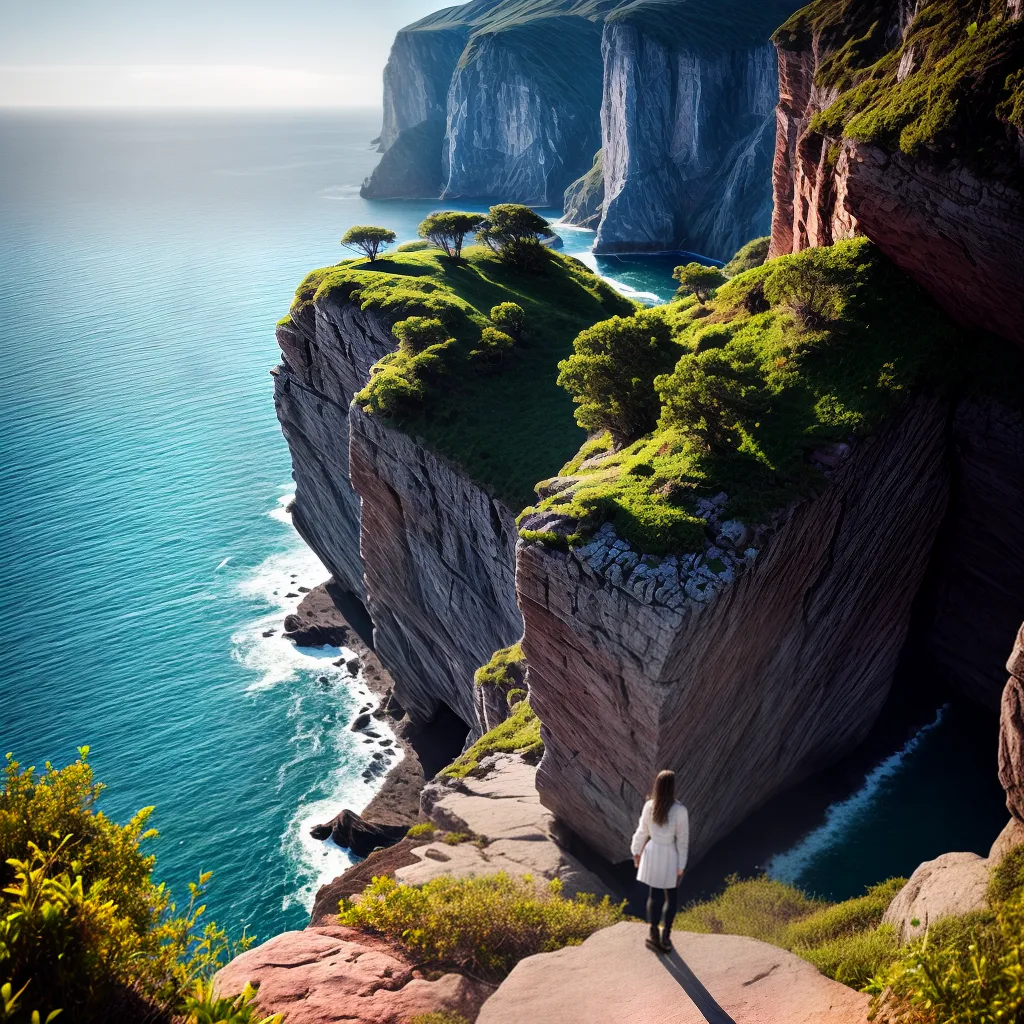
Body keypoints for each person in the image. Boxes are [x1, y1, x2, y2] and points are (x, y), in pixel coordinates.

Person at [630, 769, 689, 954]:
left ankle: (653, 933)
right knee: (672, 897)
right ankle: (665, 937)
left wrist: (636, 851)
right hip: (669, 854)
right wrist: (681, 865)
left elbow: (642, 831)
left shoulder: (649, 806)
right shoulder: (679, 810)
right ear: (672, 787)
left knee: (654, 894)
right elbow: (683, 840)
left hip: (652, 851)